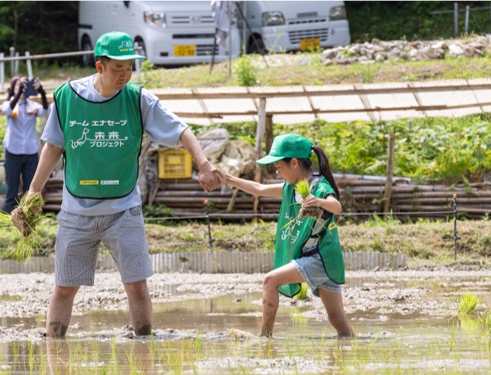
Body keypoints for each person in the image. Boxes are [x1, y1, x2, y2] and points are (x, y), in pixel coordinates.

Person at [26, 31, 223, 338]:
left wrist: (204, 164)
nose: (124, 75)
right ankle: (54, 347)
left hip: (124, 209)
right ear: (99, 66)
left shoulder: (138, 99)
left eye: (129, 67)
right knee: (64, 287)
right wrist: (33, 192)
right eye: (117, 68)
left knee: (136, 284)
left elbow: (182, 130)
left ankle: (143, 347)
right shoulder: (67, 97)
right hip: (77, 209)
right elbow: (53, 146)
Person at [222, 134, 354, 338]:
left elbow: (336, 207)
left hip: (322, 257)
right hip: (316, 257)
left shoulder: (319, 186)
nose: (278, 172)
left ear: (293, 163)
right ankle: (348, 353)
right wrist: (226, 178)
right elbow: (258, 189)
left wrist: (318, 201)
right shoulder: (289, 188)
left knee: (270, 281)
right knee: (340, 326)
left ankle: (264, 338)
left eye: (279, 167)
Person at [1, 75, 49, 213]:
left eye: (24, 87)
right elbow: (7, 110)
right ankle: (9, 220)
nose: (22, 90)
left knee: (30, 190)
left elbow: (46, 111)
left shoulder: (32, 105)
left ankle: (28, 221)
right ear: (13, 89)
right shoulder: (9, 103)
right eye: (18, 87)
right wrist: (17, 94)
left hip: (30, 152)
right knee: (12, 189)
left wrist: (42, 93)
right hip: (13, 152)